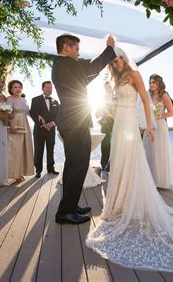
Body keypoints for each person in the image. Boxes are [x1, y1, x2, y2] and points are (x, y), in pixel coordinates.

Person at [85, 46, 173, 272]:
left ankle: (130, 203)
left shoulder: (135, 75)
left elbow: (146, 104)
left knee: (132, 161)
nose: (116, 63)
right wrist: (110, 106)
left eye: (118, 59)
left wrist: (149, 125)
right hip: (119, 124)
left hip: (131, 123)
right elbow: (117, 102)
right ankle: (117, 205)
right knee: (118, 162)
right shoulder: (116, 79)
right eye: (113, 61)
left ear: (124, 58)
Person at [52, 33, 116, 225]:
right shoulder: (65, 64)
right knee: (78, 164)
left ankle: (69, 206)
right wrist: (109, 49)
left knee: (73, 165)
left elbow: (87, 73)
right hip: (74, 123)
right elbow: (92, 68)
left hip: (71, 122)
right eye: (77, 49)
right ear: (65, 48)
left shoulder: (62, 66)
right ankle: (65, 212)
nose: (79, 53)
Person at [143, 74, 173, 189]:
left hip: (160, 127)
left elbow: (171, 112)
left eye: (153, 82)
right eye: (150, 82)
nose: (151, 85)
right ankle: (149, 180)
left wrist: (159, 116)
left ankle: (159, 181)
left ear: (159, 83)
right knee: (148, 151)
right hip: (149, 126)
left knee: (158, 152)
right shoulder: (147, 95)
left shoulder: (164, 95)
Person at [30, 81, 60, 179]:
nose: (49, 89)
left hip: (51, 130)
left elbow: (59, 116)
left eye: (51, 88)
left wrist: (52, 124)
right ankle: (38, 170)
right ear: (42, 88)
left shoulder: (55, 101)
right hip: (39, 129)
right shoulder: (35, 100)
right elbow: (33, 113)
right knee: (39, 150)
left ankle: (51, 168)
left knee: (50, 149)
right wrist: (43, 124)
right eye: (47, 87)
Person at [7, 80, 34, 182]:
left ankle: (22, 172)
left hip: (25, 124)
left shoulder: (23, 99)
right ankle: (15, 174)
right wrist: (12, 126)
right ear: (10, 89)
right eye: (15, 87)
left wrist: (38, 119)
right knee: (16, 149)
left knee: (25, 148)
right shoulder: (9, 99)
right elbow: (9, 113)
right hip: (16, 123)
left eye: (19, 87)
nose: (18, 89)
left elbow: (28, 113)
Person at [95, 81, 115, 173]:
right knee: (105, 145)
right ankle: (103, 164)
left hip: (115, 123)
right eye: (106, 87)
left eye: (109, 87)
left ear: (112, 87)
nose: (108, 89)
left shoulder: (116, 97)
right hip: (104, 124)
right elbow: (97, 114)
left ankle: (112, 165)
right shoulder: (101, 99)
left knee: (114, 144)